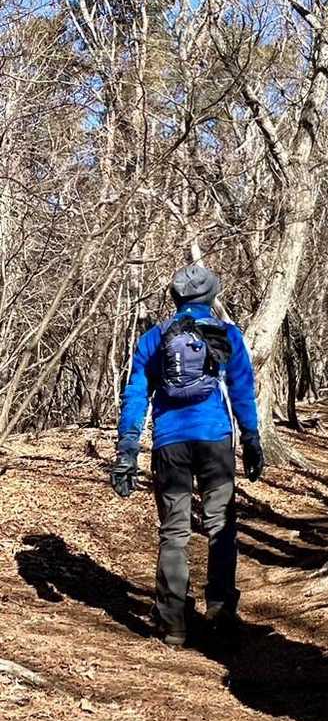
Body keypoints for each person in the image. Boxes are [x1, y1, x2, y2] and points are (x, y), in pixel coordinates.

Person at [110, 262, 262, 647]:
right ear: (211, 297)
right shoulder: (227, 335)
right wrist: (251, 438)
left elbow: (135, 396)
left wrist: (128, 449)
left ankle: (173, 622)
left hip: (169, 444)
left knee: (174, 531)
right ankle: (221, 610)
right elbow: (243, 390)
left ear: (175, 298)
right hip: (215, 440)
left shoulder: (154, 339)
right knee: (220, 525)